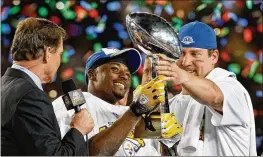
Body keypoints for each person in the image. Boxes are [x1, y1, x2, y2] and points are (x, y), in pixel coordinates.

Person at [143, 21, 257, 156]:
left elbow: (215, 97)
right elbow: (148, 143)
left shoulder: (232, 89)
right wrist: (147, 91)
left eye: (195, 54)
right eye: (181, 54)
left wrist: (183, 76)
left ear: (214, 57)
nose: (185, 62)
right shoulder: (170, 106)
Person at [52, 47, 176, 156]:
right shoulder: (77, 99)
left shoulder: (134, 112)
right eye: (115, 69)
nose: (125, 76)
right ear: (92, 75)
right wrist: (137, 109)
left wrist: (168, 144)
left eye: (128, 73)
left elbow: (154, 152)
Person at [1, 17, 94, 155]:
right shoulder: (30, 95)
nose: (60, 60)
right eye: (60, 53)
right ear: (47, 52)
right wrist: (78, 130)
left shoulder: (5, 85)